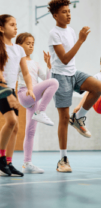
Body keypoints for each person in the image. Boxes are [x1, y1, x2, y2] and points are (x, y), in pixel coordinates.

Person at [48, 0, 101, 173]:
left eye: (69, 11)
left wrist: (78, 38)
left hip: (74, 73)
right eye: (64, 12)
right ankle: (63, 160)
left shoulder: (71, 31)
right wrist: (80, 40)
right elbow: (64, 59)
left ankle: (78, 117)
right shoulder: (54, 33)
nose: (68, 14)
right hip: (60, 77)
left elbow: (70, 62)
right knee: (63, 118)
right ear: (55, 15)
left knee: (98, 87)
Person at [16, 33, 59, 174]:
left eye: (33, 43)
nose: (31, 46)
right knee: (54, 82)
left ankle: (27, 163)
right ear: (19, 45)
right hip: (25, 94)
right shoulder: (18, 61)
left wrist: (49, 66)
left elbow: (46, 80)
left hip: (34, 98)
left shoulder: (35, 63)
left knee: (30, 131)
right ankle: (41, 112)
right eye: (27, 43)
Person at [0, 15, 35, 177]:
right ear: (1, 28)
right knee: (12, 121)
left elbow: (26, 73)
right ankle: (1, 159)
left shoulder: (18, 49)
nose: (16, 28)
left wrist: (30, 88)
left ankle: (8, 162)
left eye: (16, 25)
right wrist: (8, 92)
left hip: (11, 90)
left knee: (15, 128)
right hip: (1, 88)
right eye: (12, 25)